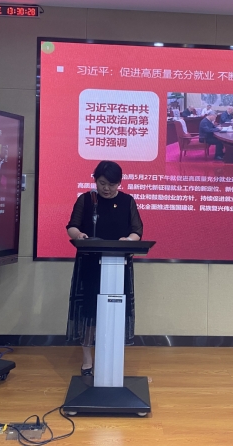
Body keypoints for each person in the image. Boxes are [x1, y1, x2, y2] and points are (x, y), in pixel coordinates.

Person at [66, 161, 143, 376]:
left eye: (112, 184)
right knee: (89, 311)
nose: (106, 188)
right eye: (102, 183)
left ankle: (111, 356)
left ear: (119, 183)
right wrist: (79, 235)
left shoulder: (127, 201)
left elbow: (137, 231)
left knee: (115, 311)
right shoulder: (86, 200)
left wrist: (129, 240)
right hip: (90, 264)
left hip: (118, 265)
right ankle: (87, 359)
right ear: (95, 180)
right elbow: (72, 226)